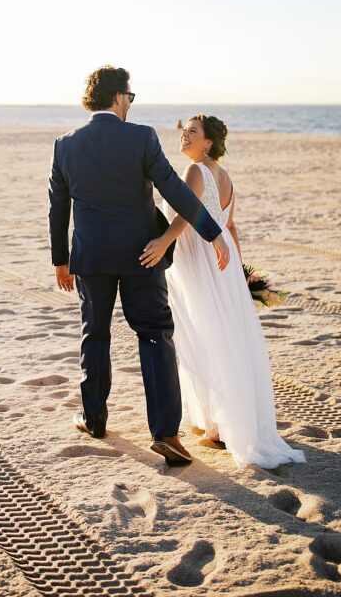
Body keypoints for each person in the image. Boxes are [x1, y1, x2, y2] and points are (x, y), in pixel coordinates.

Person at [48, 67, 231, 466]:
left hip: (91, 258)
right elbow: (174, 189)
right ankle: (165, 433)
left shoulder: (65, 145)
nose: (131, 104)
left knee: (94, 334)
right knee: (154, 335)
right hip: (142, 255)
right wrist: (211, 232)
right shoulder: (142, 137)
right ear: (118, 97)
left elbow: (58, 207)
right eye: (130, 96)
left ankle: (94, 419)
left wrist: (61, 260)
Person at [140, 114, 304, 469]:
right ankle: (219, 419)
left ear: (208, 142)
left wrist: (164, 240)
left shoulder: (195, 172)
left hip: (201, 257)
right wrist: (240, 277)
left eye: (193, 132)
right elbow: (230, 226)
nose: (185, 135)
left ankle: (220, 426)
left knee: (206, 335)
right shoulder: (225, 176)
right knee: (223, 335)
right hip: (222, 261)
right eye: (184, 130)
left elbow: (189, 213)